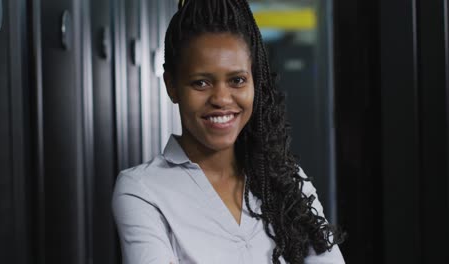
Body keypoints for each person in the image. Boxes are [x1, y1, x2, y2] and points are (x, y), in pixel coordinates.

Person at [112, 0, 345, 263]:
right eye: (201, 82)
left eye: (237, 80)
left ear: (254, 82)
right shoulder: (141, 190)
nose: (221, 98)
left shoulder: (286, 180)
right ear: (172, 86)